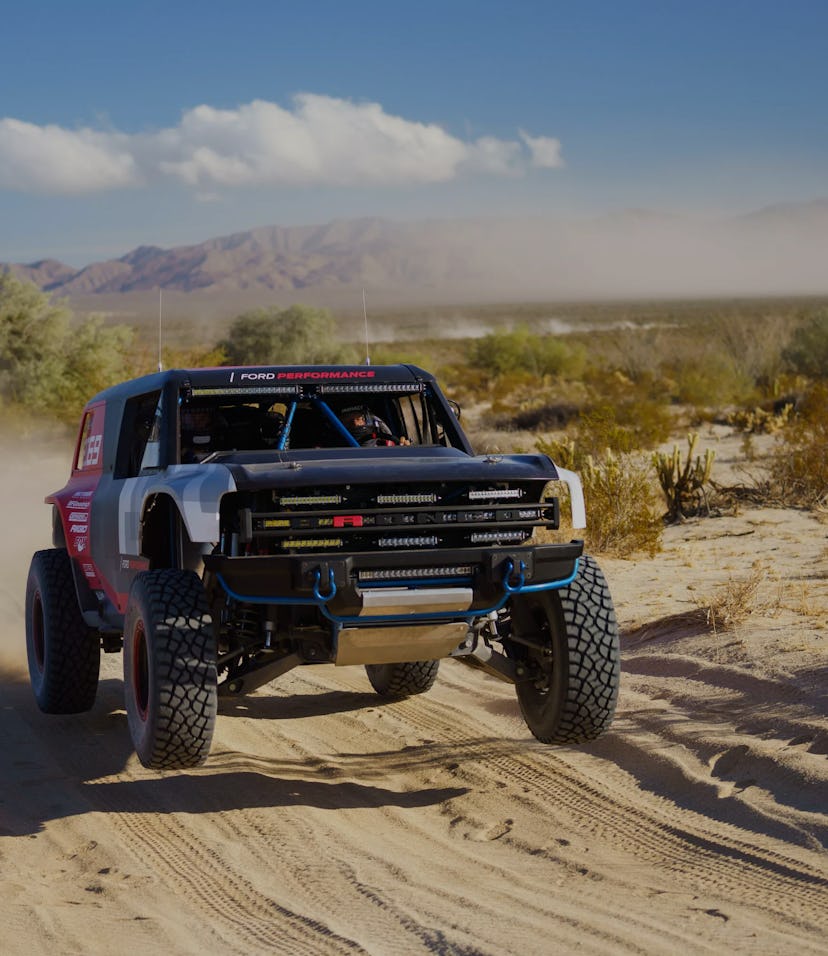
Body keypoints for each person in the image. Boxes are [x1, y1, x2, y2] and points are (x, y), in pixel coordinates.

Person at [341, 406, 410, 446]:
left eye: (360, 419)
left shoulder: (387, 442)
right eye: (348, 421)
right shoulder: (335, 447)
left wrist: (402, 447)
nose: (356, 424)